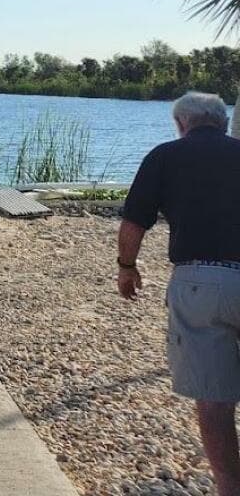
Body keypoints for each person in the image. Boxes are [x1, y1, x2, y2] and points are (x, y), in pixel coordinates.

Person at [119, 91, 240, 496]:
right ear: (223, 123)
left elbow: (135, 222)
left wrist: (126, 267)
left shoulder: (164, 156)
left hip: (197, 280)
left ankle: (229, 487)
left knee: (213, 399)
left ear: (181, 124)